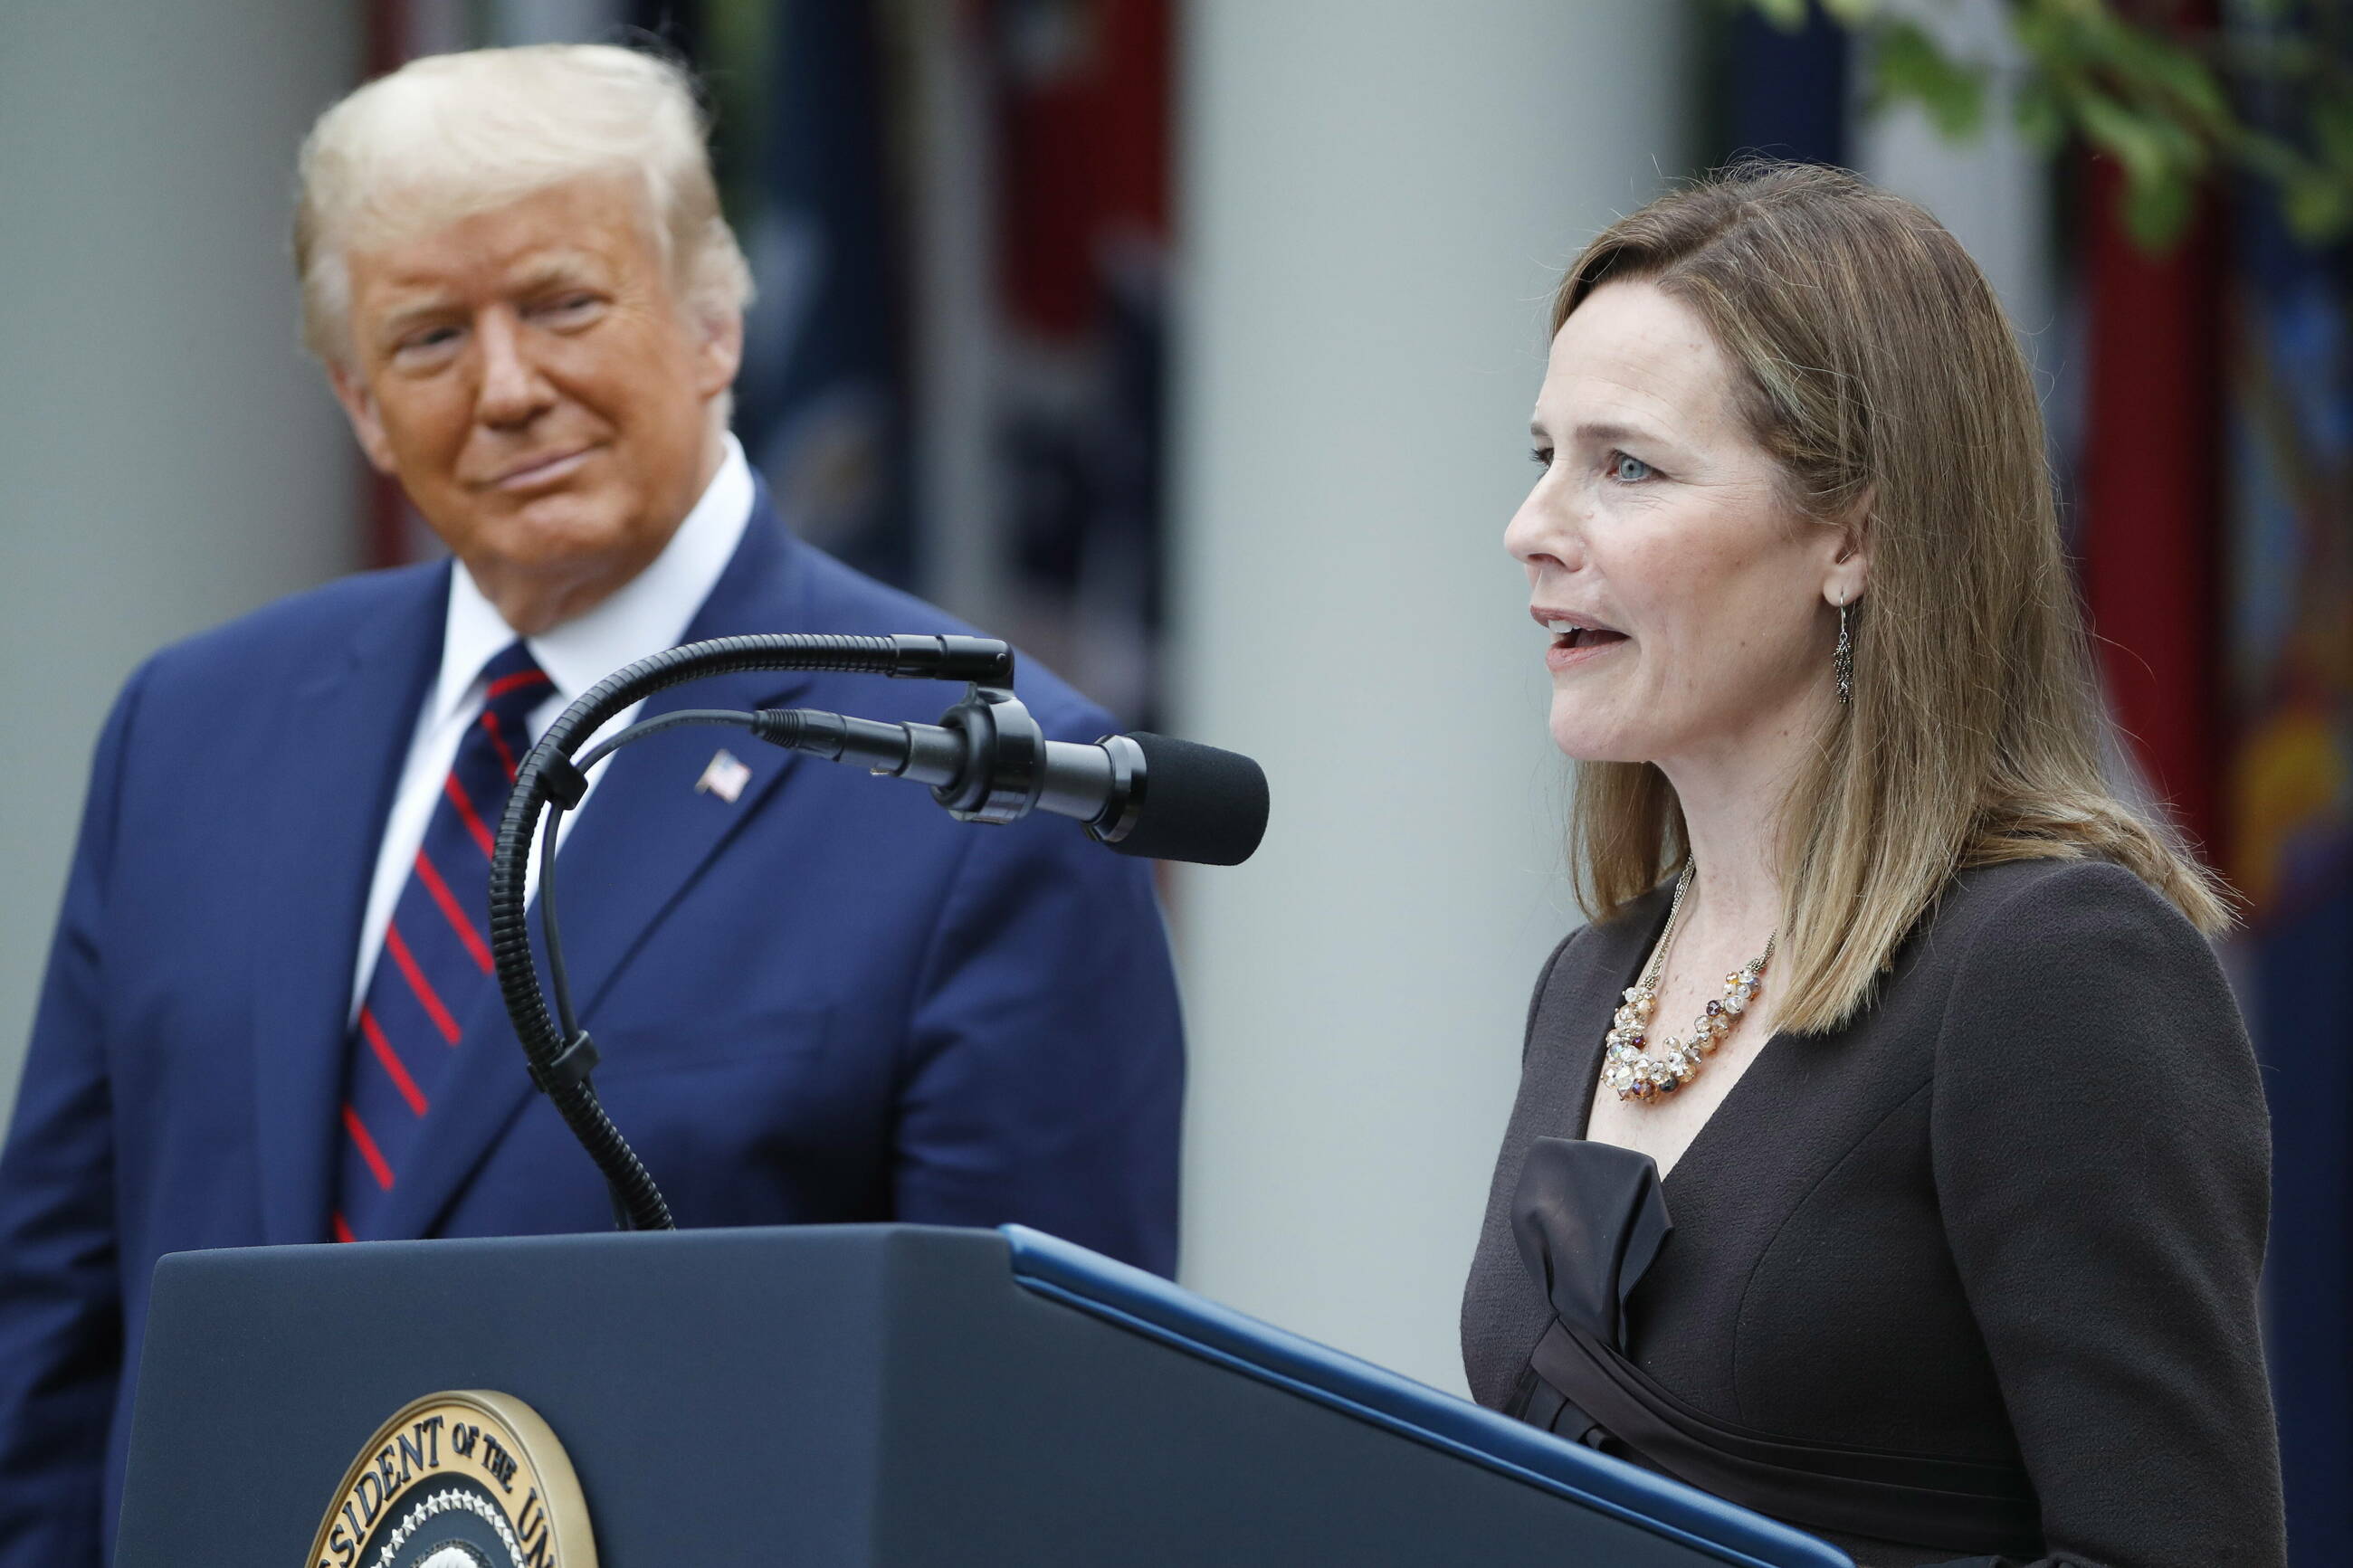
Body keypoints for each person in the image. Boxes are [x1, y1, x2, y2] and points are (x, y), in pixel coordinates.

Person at [0, 44, 1184, 1565]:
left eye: (564, 303)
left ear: (715, 321)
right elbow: (51, 1349)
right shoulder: (192, 734)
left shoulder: (985, 781)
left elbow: (1036, 1455)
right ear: (361, 404)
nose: (508, 387)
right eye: (429, 337)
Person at [1461, 163, 2285, 1567]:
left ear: (1852, 535)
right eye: (1541, 455)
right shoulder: (1589, 980)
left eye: (1627, 466)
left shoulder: (2054, 965)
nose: (1533, 527)